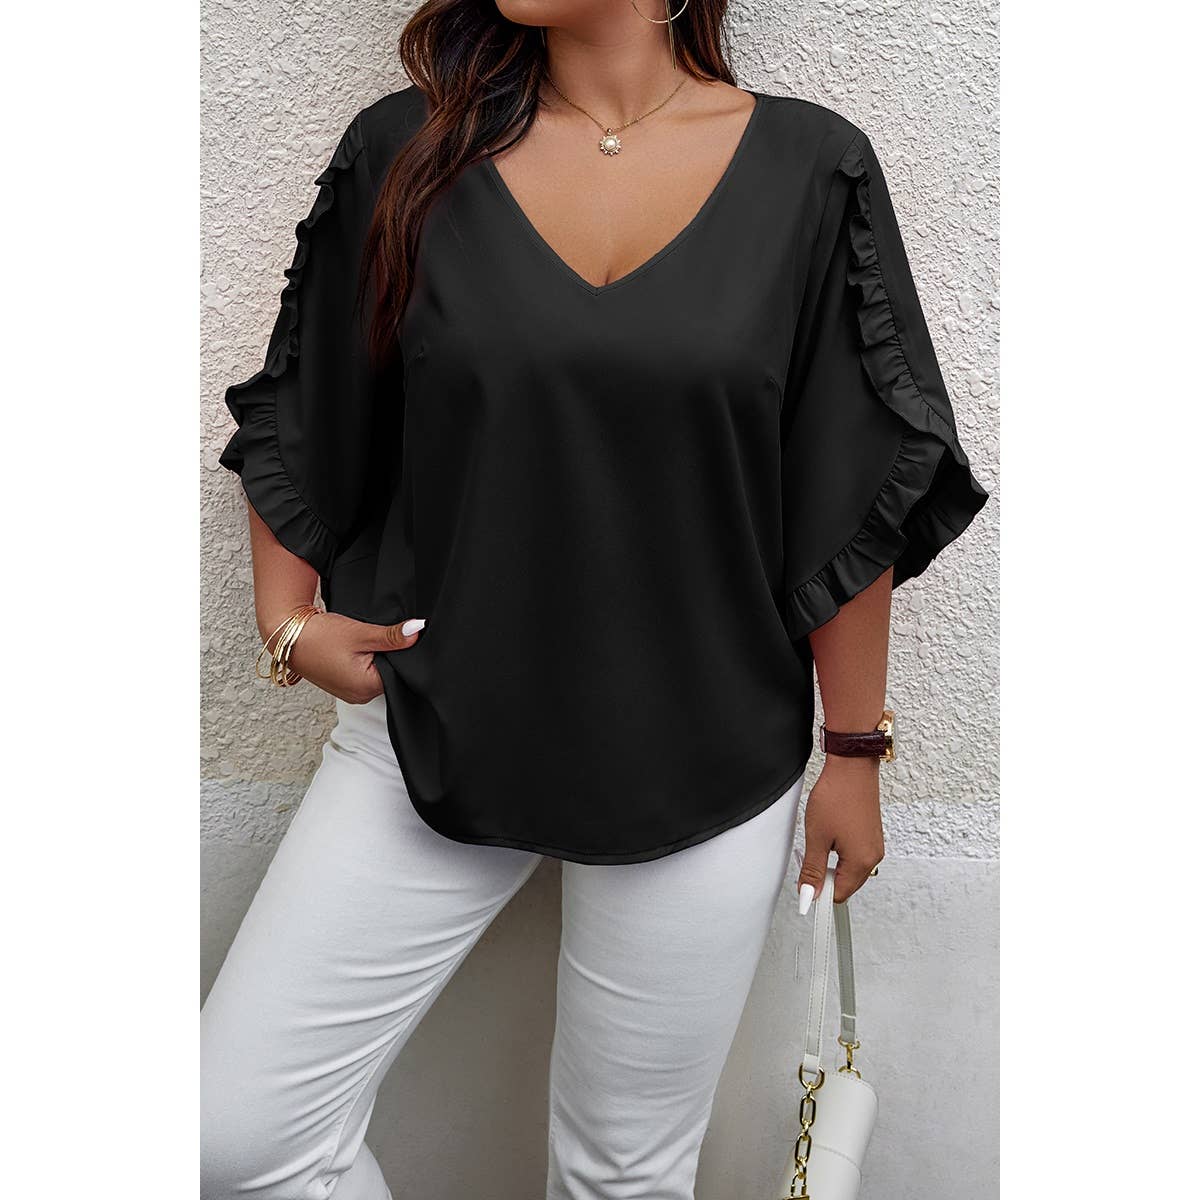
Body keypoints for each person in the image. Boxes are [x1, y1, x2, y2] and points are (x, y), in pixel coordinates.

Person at [201, 1, 988, 1197]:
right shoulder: (407, 150)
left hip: (704, 746)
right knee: (237, 1135)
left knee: (624, 1176)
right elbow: (308, 401)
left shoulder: (810, 168)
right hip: (431, 720)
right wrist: (288, 620)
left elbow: (848, 479)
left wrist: (854, 751)